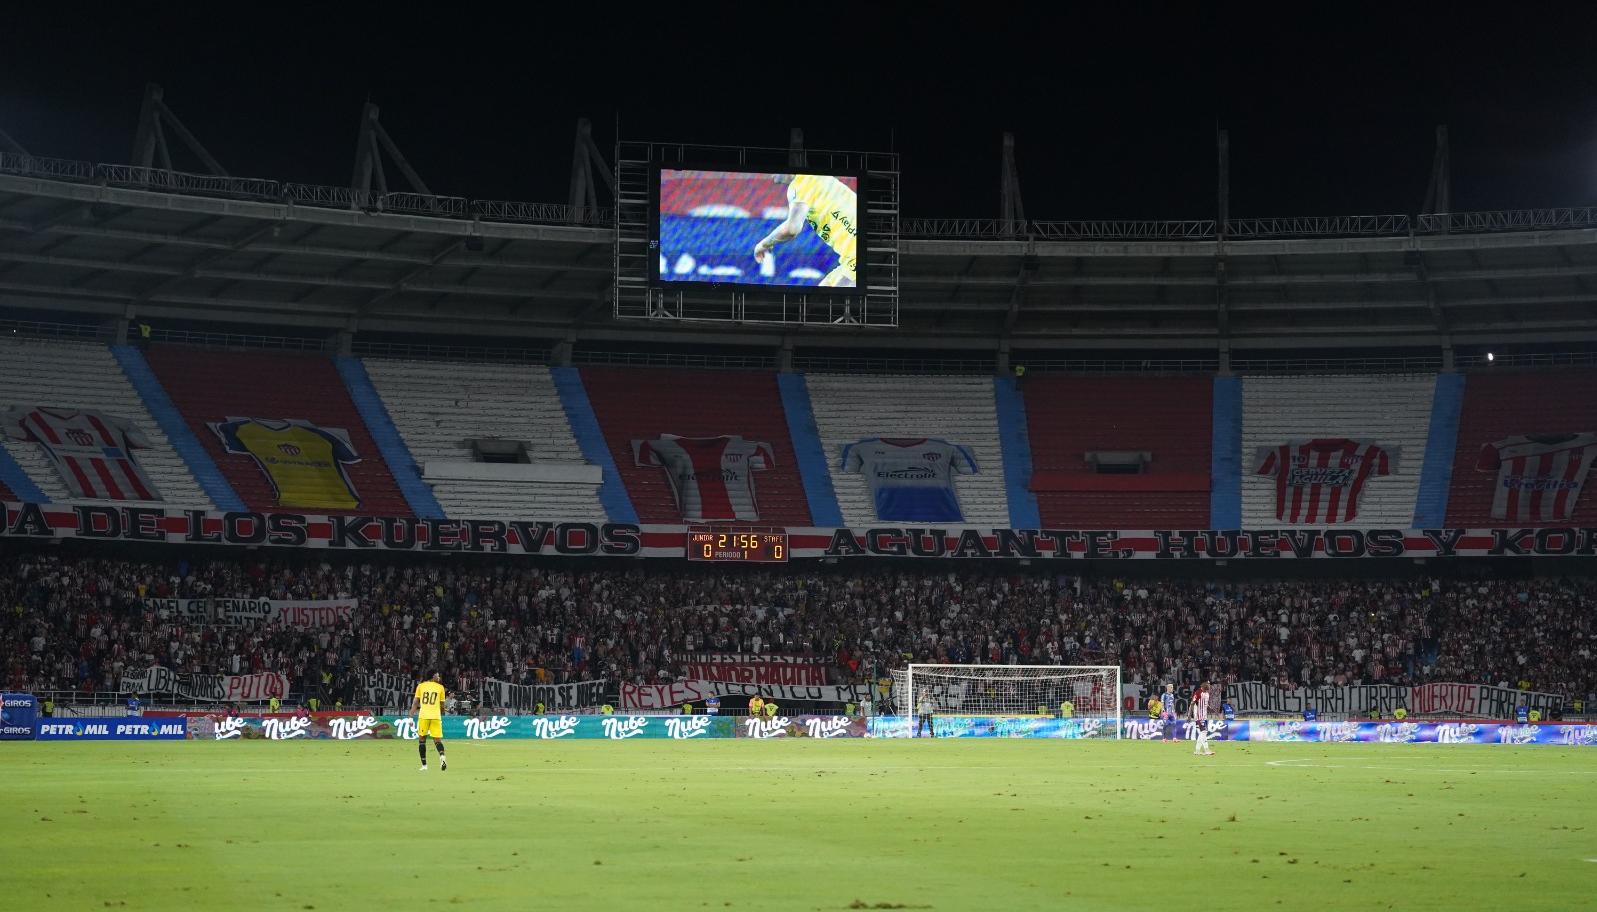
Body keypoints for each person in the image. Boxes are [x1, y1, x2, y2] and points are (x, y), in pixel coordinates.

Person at [751, 173, 858, 288]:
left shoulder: (799, 185)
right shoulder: (815, 177)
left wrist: (763, 244)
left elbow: (792, 228)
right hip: (850, 260)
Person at [411, 672, 448, 772]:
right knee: (437, 740)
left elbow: (415, 703)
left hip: (424, 716)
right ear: (433, 676)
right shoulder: (440, 688)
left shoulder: (420, 686)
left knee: (422, 740)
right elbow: (442, 706)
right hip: (436, 716)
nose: (439, 677)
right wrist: (444, 709)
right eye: (437, 675)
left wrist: (410, 717)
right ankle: (442, 756)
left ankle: (424, 765)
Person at [1190, 682, 1215, 756]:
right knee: (1203, 732)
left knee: (1203, 733)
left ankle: (1197, 751)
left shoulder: (1207, 694)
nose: (1209, 689)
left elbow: (1205, 704)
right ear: (1204, 687)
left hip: (1204, 716)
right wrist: (1189, 715)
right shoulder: (1198, 692)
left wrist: (1210, 708)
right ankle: (1206, 750)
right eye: (1208, 687)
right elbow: (1192, 703)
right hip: (1199, 716)